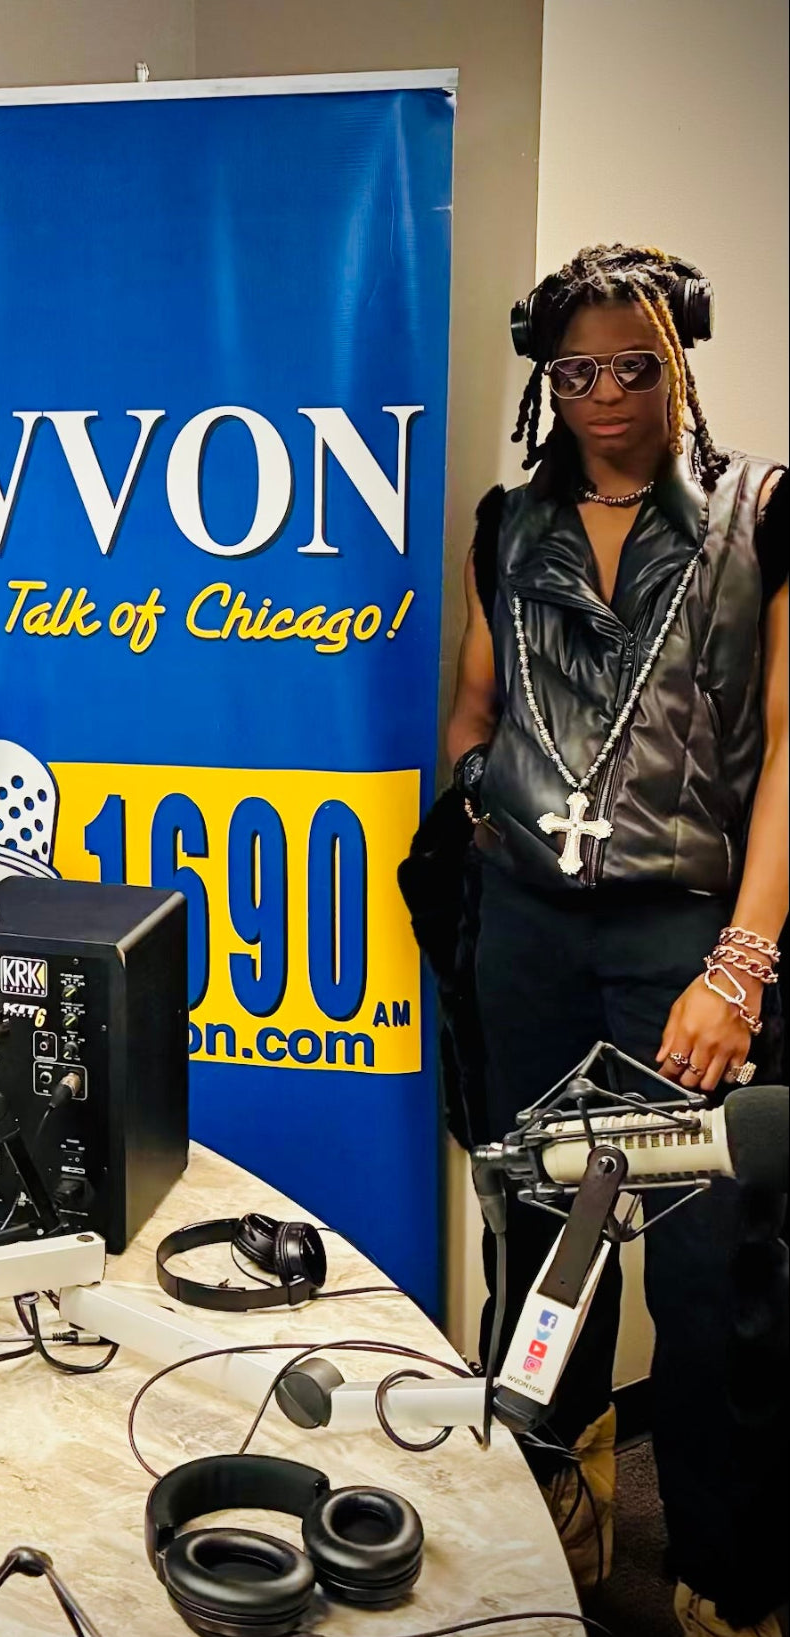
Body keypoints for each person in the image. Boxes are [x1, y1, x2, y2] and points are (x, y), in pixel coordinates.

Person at [445, 246, 787, 1637]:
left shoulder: (760, 513)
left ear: (678, 362)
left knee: (712, 1278)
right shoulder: (504, 525)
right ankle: (553, 1514)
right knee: (537, 1241)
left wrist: (739, 963)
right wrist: (476, 800)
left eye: (630, 365)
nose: (600, 395)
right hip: (526, 937)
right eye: (572, 369)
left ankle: (723, 1565)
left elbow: (788, 754)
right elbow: (474, 704)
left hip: (682, 943)